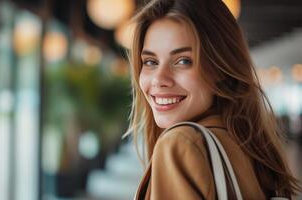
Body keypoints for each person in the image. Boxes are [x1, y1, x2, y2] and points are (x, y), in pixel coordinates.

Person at [124, 0, 301, 199]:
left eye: (183, 61)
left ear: (220, 69)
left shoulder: (181, 144)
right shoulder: (247, 146)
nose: (159, 79)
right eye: (150, 61)